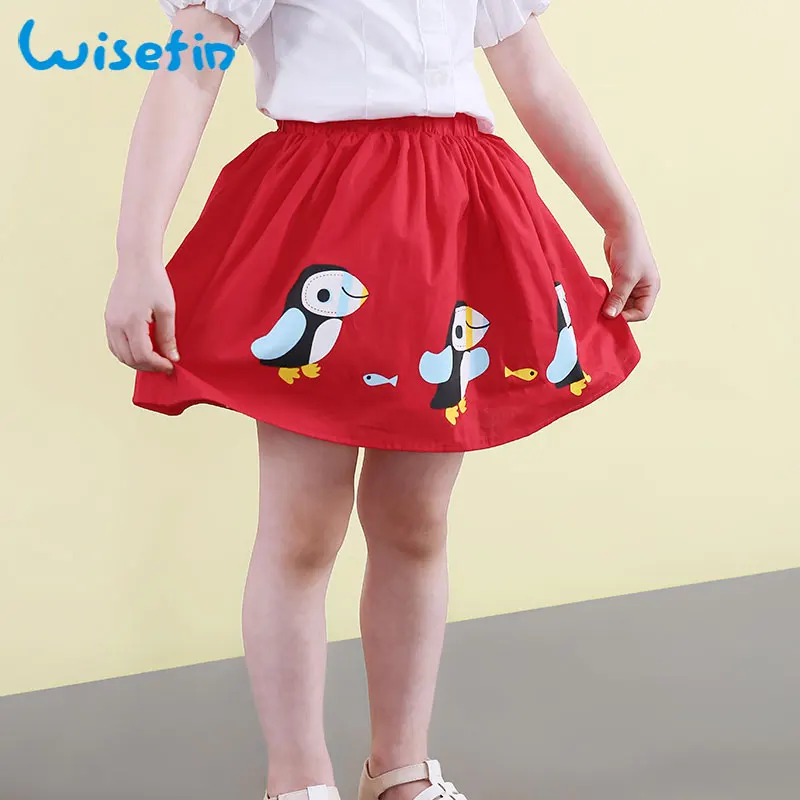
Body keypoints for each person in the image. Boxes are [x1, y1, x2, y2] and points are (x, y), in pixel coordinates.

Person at [105, 1, 660, 798]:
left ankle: (399, 770)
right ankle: (298, 778)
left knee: (416, 521)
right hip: (324, 214)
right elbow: (190, 70)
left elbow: (533, 73)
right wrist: (137, 252)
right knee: (303, 528)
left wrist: (620, 214)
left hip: (453, 215)